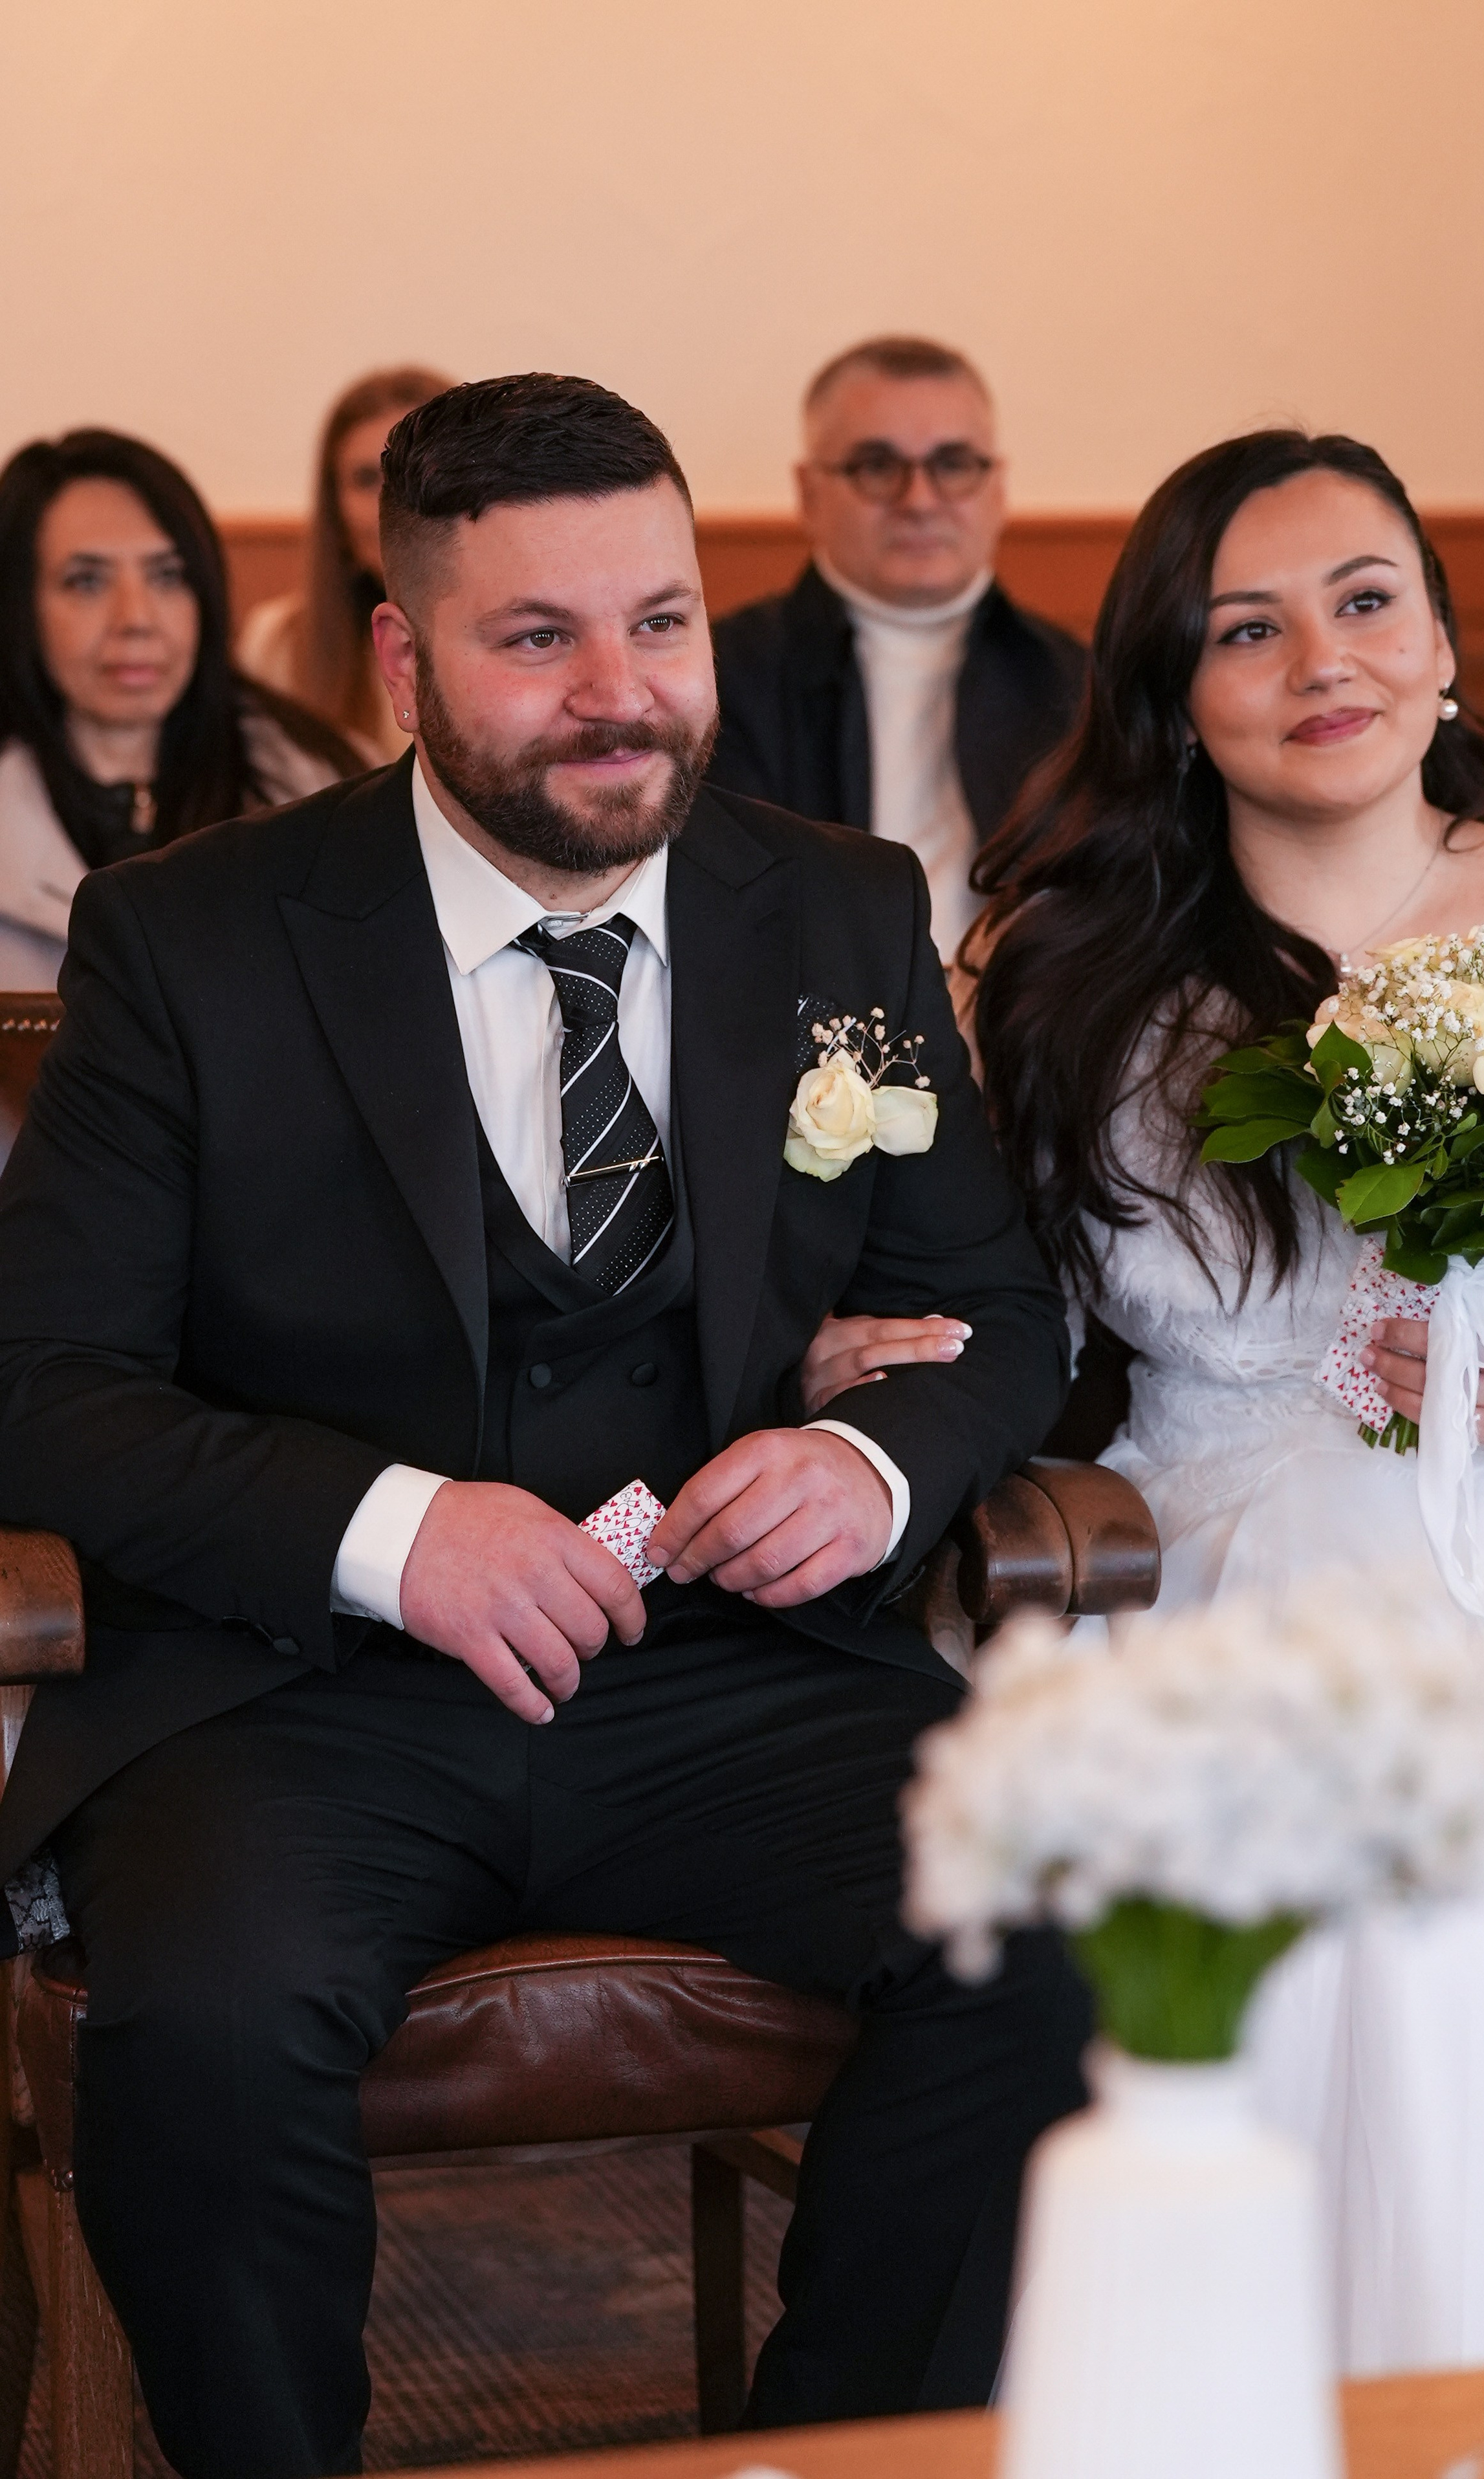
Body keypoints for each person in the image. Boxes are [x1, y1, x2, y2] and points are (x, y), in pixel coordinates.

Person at [0, 372, 1085, 2479]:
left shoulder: (840, 910)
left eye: (662, 623)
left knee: (1055, 1933)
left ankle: (823, 2458)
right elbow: (39, 1391)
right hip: (300, 1700)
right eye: (539, 638)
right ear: (402, 656)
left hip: (736, 1679)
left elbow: (999, 1310)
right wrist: (398, 1527)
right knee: (209, 2038)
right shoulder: (194, 941)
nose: (624, 698)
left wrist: (868, 1469)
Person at [825, 430, 1484, 2372]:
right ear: (1173, 700)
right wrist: (862, 1339)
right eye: (1245, 629)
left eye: (1366, 601)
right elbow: (987, 1294)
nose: (1321, 663)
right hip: (1220, 1547)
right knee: (1392, 1904)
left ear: (1444, 640)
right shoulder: (1064, 972)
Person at [707, 336, 1084, 964]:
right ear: (808, 493)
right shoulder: (719, 676)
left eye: (954, 464)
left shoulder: (1078, 683)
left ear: (997, 489)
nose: (918, 500)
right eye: (877, 466)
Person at [0, 431, 356, 990]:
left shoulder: (328, 782)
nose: (136, 618)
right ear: (20, 607)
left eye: (168, 576)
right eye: (86, 581)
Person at [239, 365, 453, 764]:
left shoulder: (525, 633)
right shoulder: (276, 645)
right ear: (334, 505)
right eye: (365, 479)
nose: (391, 502)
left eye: (415, 473)